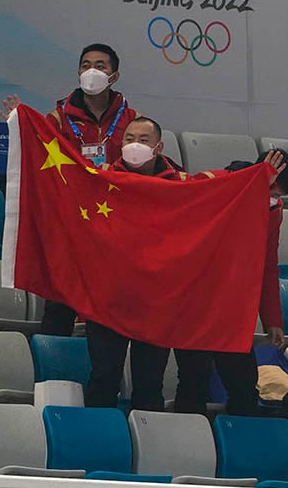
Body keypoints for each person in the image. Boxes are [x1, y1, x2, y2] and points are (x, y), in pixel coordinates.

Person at [85, 116, 266, 411]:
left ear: (159, 147)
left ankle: (151, 449)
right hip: (109, 300)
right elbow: (56, 168)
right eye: (129, 138)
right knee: (103, 377)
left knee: (148, 383)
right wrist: (22, 128)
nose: (134, 145)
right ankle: (94, 449)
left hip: (157, 305)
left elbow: (225, 187)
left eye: (143, 140)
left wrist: (261, 177)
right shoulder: (98, 176)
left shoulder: (182, 186)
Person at [0, 43, 139, 337]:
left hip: (113, 227)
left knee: (109, 313)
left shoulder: (131, 120)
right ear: (78, 71)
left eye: (100, 66)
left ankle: (105, 377)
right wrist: (19, 123)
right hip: (70, 226)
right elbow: (34, 151)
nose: (92, 71)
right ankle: (54, 378)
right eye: (86, 65)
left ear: (114, 75)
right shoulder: (59, 118)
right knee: (60, 305)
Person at [173, 148, 288, 416]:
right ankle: (190, 448)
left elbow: (267, 265)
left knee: (243, 385)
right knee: (193, 381)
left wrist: (272, 320)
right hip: (194, 304)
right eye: (274, 193)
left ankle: (242, 446)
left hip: (232, 312)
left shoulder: (273, 211)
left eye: (279, 197)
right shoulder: (212, 183)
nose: (275, 201)